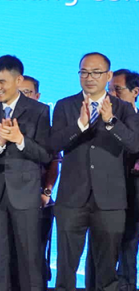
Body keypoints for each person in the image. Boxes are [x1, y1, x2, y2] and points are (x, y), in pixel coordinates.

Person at [51, 53, 139, 291]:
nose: (89, 78)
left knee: (107, 272)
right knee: (66, 270)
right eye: (84, 72)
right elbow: (53, 144)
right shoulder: (65, 105)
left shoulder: (123, 109)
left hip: (110, 201)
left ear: (108, 75)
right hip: (72, 198)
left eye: (96, 72)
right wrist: (79, 125)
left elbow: (134, 144)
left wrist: (110, 121)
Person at [0, 55, 53, 291]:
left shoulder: (39, 110)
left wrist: (20, 140)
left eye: (2, 82)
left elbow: (45, 154)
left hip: (26, 194)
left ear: (18, 80)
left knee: (30, 260)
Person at [18, 75, 60, 290]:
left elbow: (54, 163)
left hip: (39, 200)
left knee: (36, 255)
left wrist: (46, 192)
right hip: (12, 200)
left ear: (38, 96)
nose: (23, 98)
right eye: (20, 93)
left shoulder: (47, 127)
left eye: (28, 93)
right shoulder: (6, 124)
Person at [110, 69, 139, 291]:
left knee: (130, 242)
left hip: (136, 193)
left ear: (135, 92)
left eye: (117, 90)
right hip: (113, 194)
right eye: (109, 90)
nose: (112, 95)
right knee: (120, 245)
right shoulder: (104, 121)